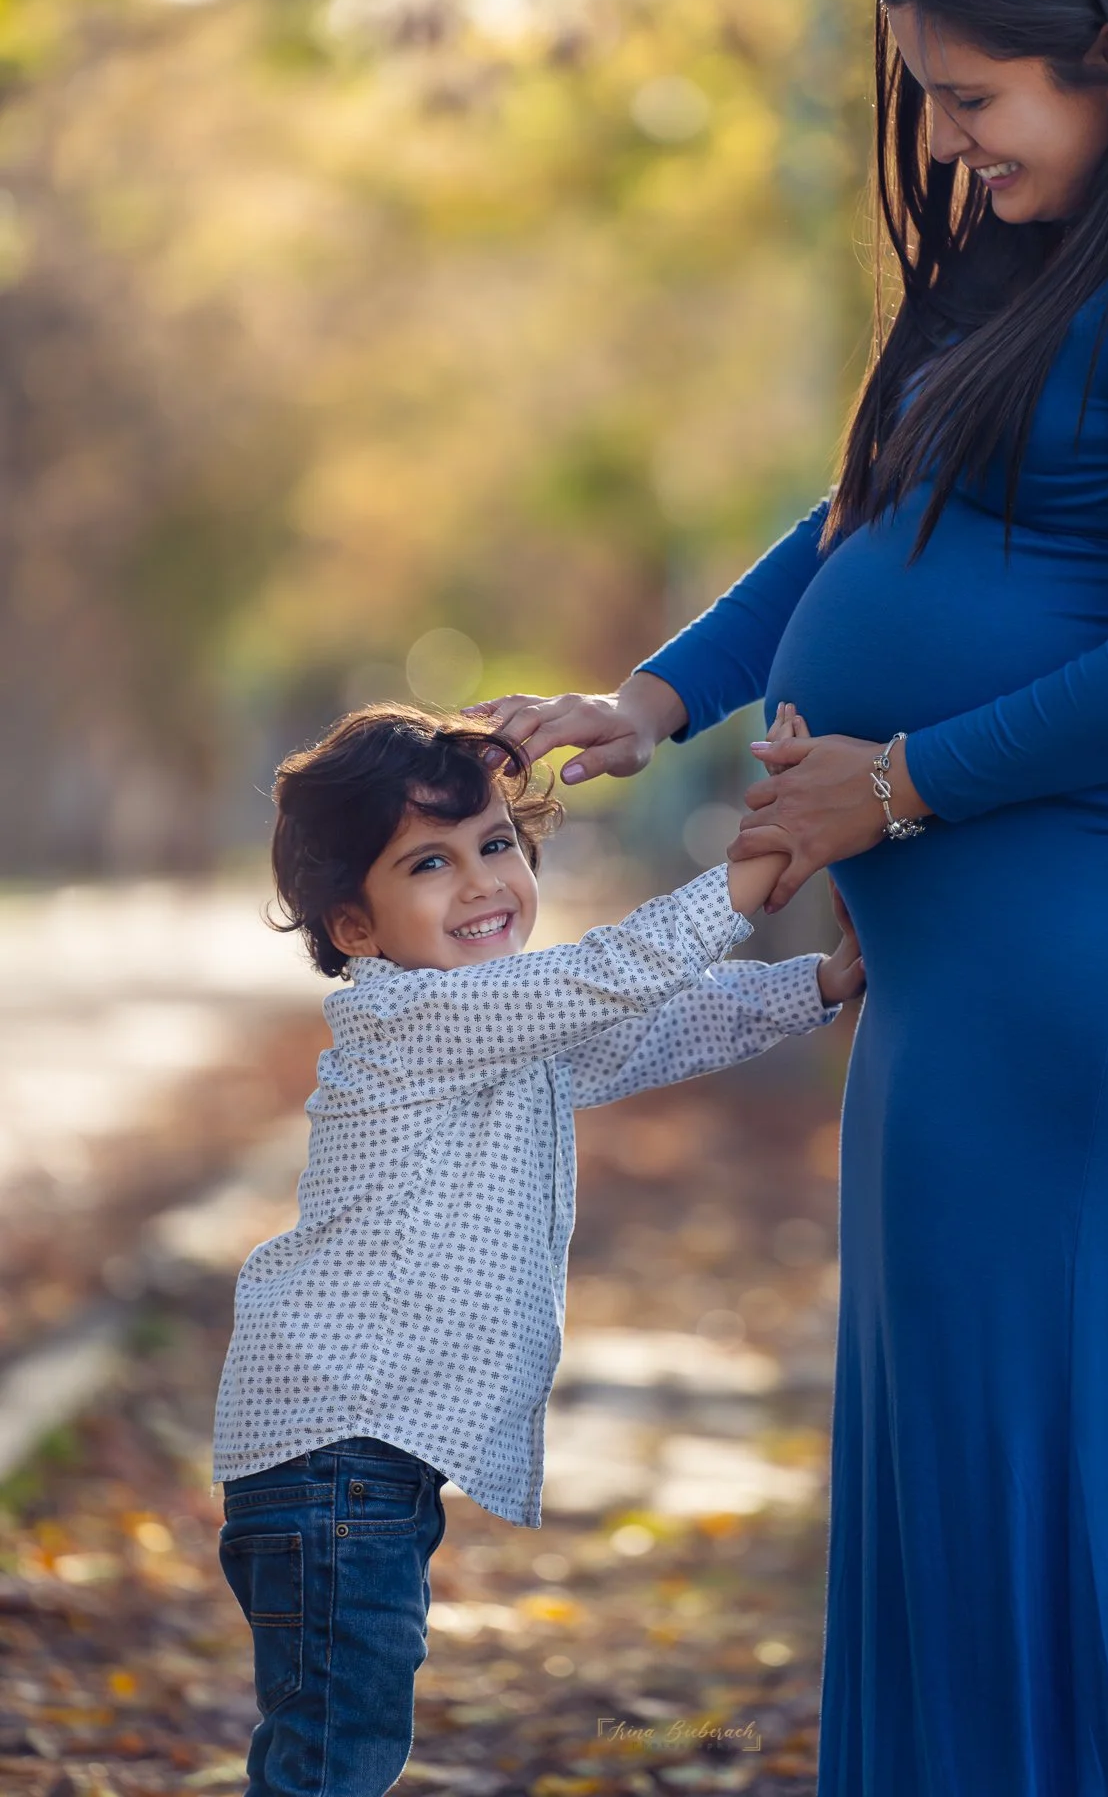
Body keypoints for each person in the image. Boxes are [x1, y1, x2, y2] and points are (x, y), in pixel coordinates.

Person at [470, 0, 1108, 1797]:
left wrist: (895, 783)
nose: (946, 142)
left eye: (973, 97)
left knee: (1069, 1465)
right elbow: (859, 520)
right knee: (972, 1459)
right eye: (927, 100)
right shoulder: (1027, 263)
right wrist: (653, 700)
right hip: (991, 962)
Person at [212, 701, 864, 1797]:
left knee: (337, 1739)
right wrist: (758, 867)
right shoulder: (416, 1019)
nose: (482, 883)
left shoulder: (500, 1028)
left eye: (496, 844)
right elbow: (613, 972)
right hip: (337, 1449)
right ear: (356, 926)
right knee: (333, 1754)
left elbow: (657, 1026)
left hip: (357, 1457)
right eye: (430, 862)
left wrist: (815, 985)